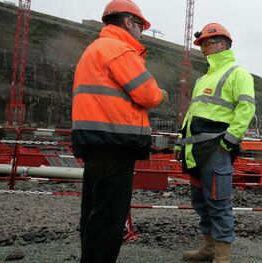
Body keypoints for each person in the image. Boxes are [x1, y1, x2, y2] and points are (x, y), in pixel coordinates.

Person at [71, 0, 168, 262]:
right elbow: (148, 94)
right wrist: (162, 94)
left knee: (94, 210)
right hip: (114, 143)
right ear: (127, 22)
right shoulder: (120, 50)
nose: (141, 32)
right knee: (109, 216)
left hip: (95, 141)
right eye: (140, 26)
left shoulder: (95, 49)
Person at [176, 23, 255, 263]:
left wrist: (228, 142)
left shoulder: (238, 73)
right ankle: (209, 248)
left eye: (206, 44)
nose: (202, 49)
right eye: (201, 45)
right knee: (200, 201)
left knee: (219, 202)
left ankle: (222, 257)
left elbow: (246, 108)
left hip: (215, 149)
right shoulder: (203, 79)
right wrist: (181, 143)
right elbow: (192, 115)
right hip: (196, 150)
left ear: (222, 44)